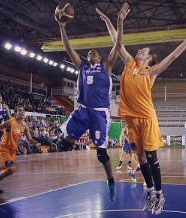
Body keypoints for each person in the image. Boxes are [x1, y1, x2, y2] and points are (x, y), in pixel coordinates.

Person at [96, 7, 186, 215]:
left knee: (152, 156)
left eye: (143, 51)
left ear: (149, 58)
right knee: (141, 158)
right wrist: (111, 21)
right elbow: (116, 41)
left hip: (147, 119)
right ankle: (151, 192)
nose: (138, 51)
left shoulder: (151, 72)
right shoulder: (129, 63)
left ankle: (160, 194)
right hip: (131, 120)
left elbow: (172, 57)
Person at [56, 3, 130, 202]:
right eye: (89, 52)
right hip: (82, 110)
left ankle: (111, 181)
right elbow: (67, 47)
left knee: (101, 154)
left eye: (94, 52)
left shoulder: (105, 67)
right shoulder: (81, 67)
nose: (91, 53)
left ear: (100, 57)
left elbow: (118, 45)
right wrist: (62, 26)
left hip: (99, 113)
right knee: (62, 144)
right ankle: (68, 144)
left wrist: (118, 22)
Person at [0, 105, 38, 194]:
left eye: (23, 110)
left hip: (12, 151)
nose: (21, 112)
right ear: (16, 113)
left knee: (9, 171)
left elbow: (29, 139)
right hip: (3, 149)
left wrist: (34, 142)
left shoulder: (25, 125)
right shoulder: (10, 122)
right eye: (19, 110)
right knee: (11, 169)